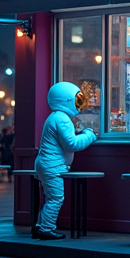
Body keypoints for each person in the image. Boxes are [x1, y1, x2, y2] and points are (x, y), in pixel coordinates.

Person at [33, 81, 98, 240]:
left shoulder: (56, 116)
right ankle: (46, 229)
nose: (79, 104)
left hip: (46, 163)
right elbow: (72, 144)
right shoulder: (62, 119)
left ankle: (40, 226)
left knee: (49, 197)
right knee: (56, 198)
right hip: (53, 165)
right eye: (78, 100)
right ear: (67, 100)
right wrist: (90, 134)